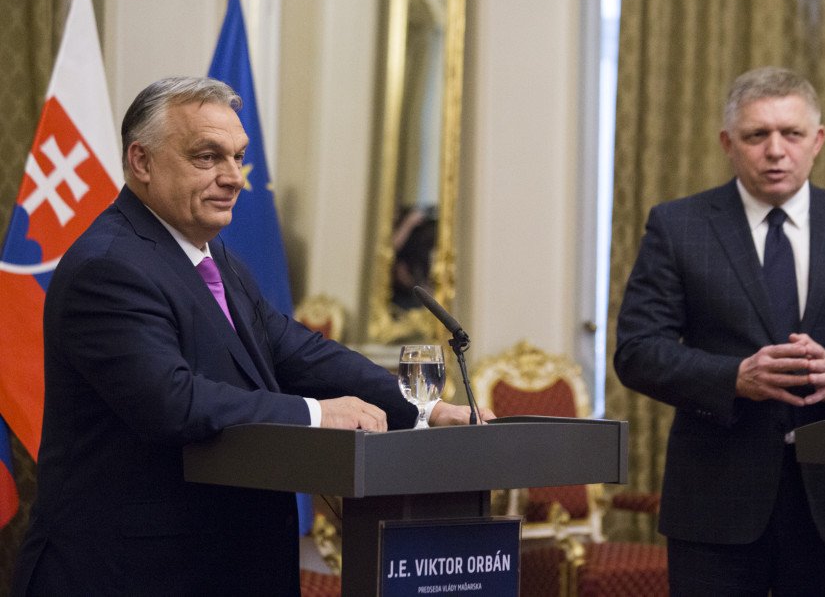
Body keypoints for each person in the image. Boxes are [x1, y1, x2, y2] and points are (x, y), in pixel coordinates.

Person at [12, 76, 493, 596]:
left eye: (237, 157)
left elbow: (300, 352)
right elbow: (173, 400)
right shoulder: (108, 267)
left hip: (225, 562)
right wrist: (316, 414)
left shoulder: (216, 259)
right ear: (141, 162)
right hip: (130, 572)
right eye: (207, 157)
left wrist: (425, 410)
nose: (233, 177)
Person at [613, 67, 825, 596]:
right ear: (727, 144)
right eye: (757, 135)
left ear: (818, 140)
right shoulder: (678, 226)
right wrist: (734, 376)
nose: (775, 150)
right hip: (714, 506)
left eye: (792, 134)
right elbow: (639, 350)